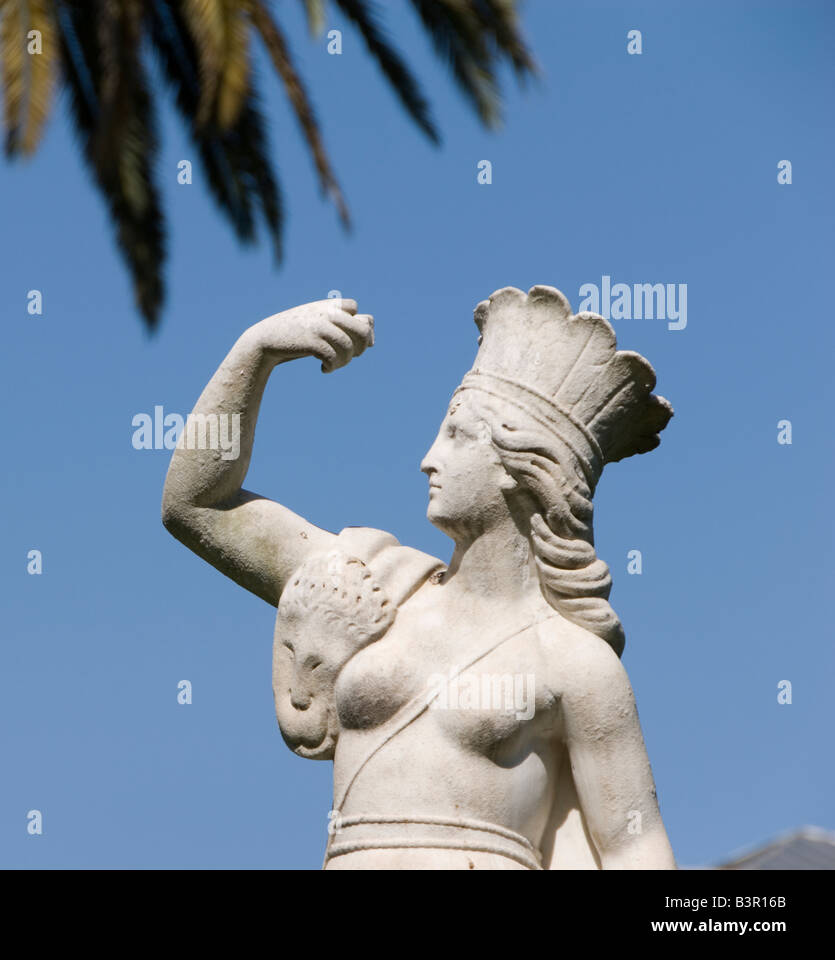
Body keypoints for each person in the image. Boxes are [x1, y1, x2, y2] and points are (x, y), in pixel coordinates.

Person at [162, 285, 677, 869]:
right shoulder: (370, 581)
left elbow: (634, 845)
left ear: (522, 468)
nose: (429, 458)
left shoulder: (574, 662)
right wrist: (255, 352)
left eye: (456, 434)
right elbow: (197, 506)